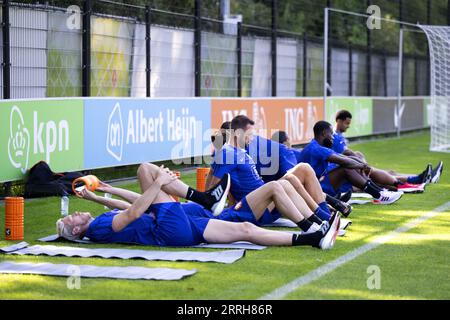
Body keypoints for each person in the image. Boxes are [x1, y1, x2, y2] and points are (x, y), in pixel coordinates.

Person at [56, 164, 340, 250]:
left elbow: (126, 207)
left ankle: (312, 238)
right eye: (73, 218)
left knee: (245, 230)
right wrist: (160, 184)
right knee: (146, 171)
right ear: (77, 229)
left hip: (179, 228)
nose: (76, 213)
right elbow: (132, 212)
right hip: (167, 230)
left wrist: (101, 193)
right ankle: (203, 198)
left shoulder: (97, 223)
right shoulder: (97, 228)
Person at [206, 115, 334, 221]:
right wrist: (211, 205)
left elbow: (214, 173)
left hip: (266, 199)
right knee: (285, 182)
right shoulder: (227, 155)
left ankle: (323, 213)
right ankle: (320, 218)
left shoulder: (241, 152)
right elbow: (214, 185)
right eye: (249, 134)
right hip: (259, 206)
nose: (252, 138)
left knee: (301, 170)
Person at [332, 110, 444, 191]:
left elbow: (349, 154)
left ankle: (419, 178)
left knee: (389, 173)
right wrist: (363, 165)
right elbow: (347, 154)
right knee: (379, 177)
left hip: (351, 172)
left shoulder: (338, 137)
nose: (348, 126)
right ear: (338, 121)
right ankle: (417, 180)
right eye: (347, 123)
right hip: (349, 177)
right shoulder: (335, 137)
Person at [297, 121, 403, 204]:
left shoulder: (316, 146)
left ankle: (380, 192)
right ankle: (379, 195)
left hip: (315, 185)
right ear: (324, 133)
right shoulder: (316, 149)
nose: (332, 137)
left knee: (348, 165)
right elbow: (344, 161)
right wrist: (362, 166)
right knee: (346, 169)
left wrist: (363, 165)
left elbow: (342, 156)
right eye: (331, 134)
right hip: (311, 190)